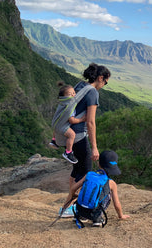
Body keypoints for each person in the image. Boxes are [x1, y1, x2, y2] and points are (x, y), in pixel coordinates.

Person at [59, 63, 110, 216]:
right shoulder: (93, 92)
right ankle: (70, 207)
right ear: (100, 78)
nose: (105, 85)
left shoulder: (80, 85)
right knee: (86, 172)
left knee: (77, 168)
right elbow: (91, 121)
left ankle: (67, 206)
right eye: (106, 82)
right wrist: (94, 147)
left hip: (68, 133)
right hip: (79, 136)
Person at [62, 150, 130, 226]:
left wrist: (75, 195)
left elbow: (73, 188)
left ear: (99, 164)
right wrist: (121, 215)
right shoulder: (111, 183)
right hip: (94, 212)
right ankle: (97, 219)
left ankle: (81, 216)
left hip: (80, 209)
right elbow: (116, 203)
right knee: (107, 195)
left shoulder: (88, 175)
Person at [49, 82, 87, 164]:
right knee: (72, 135)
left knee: (57, 127)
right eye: (70, 94)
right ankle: (68, 152)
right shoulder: (69, 105)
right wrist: (82, 119)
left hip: (55, 124)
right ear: (65, 96)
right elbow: (71, 120)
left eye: (74, 92)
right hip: (62, 127)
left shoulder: (62, 102)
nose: (73, 95)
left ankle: (54, 140)